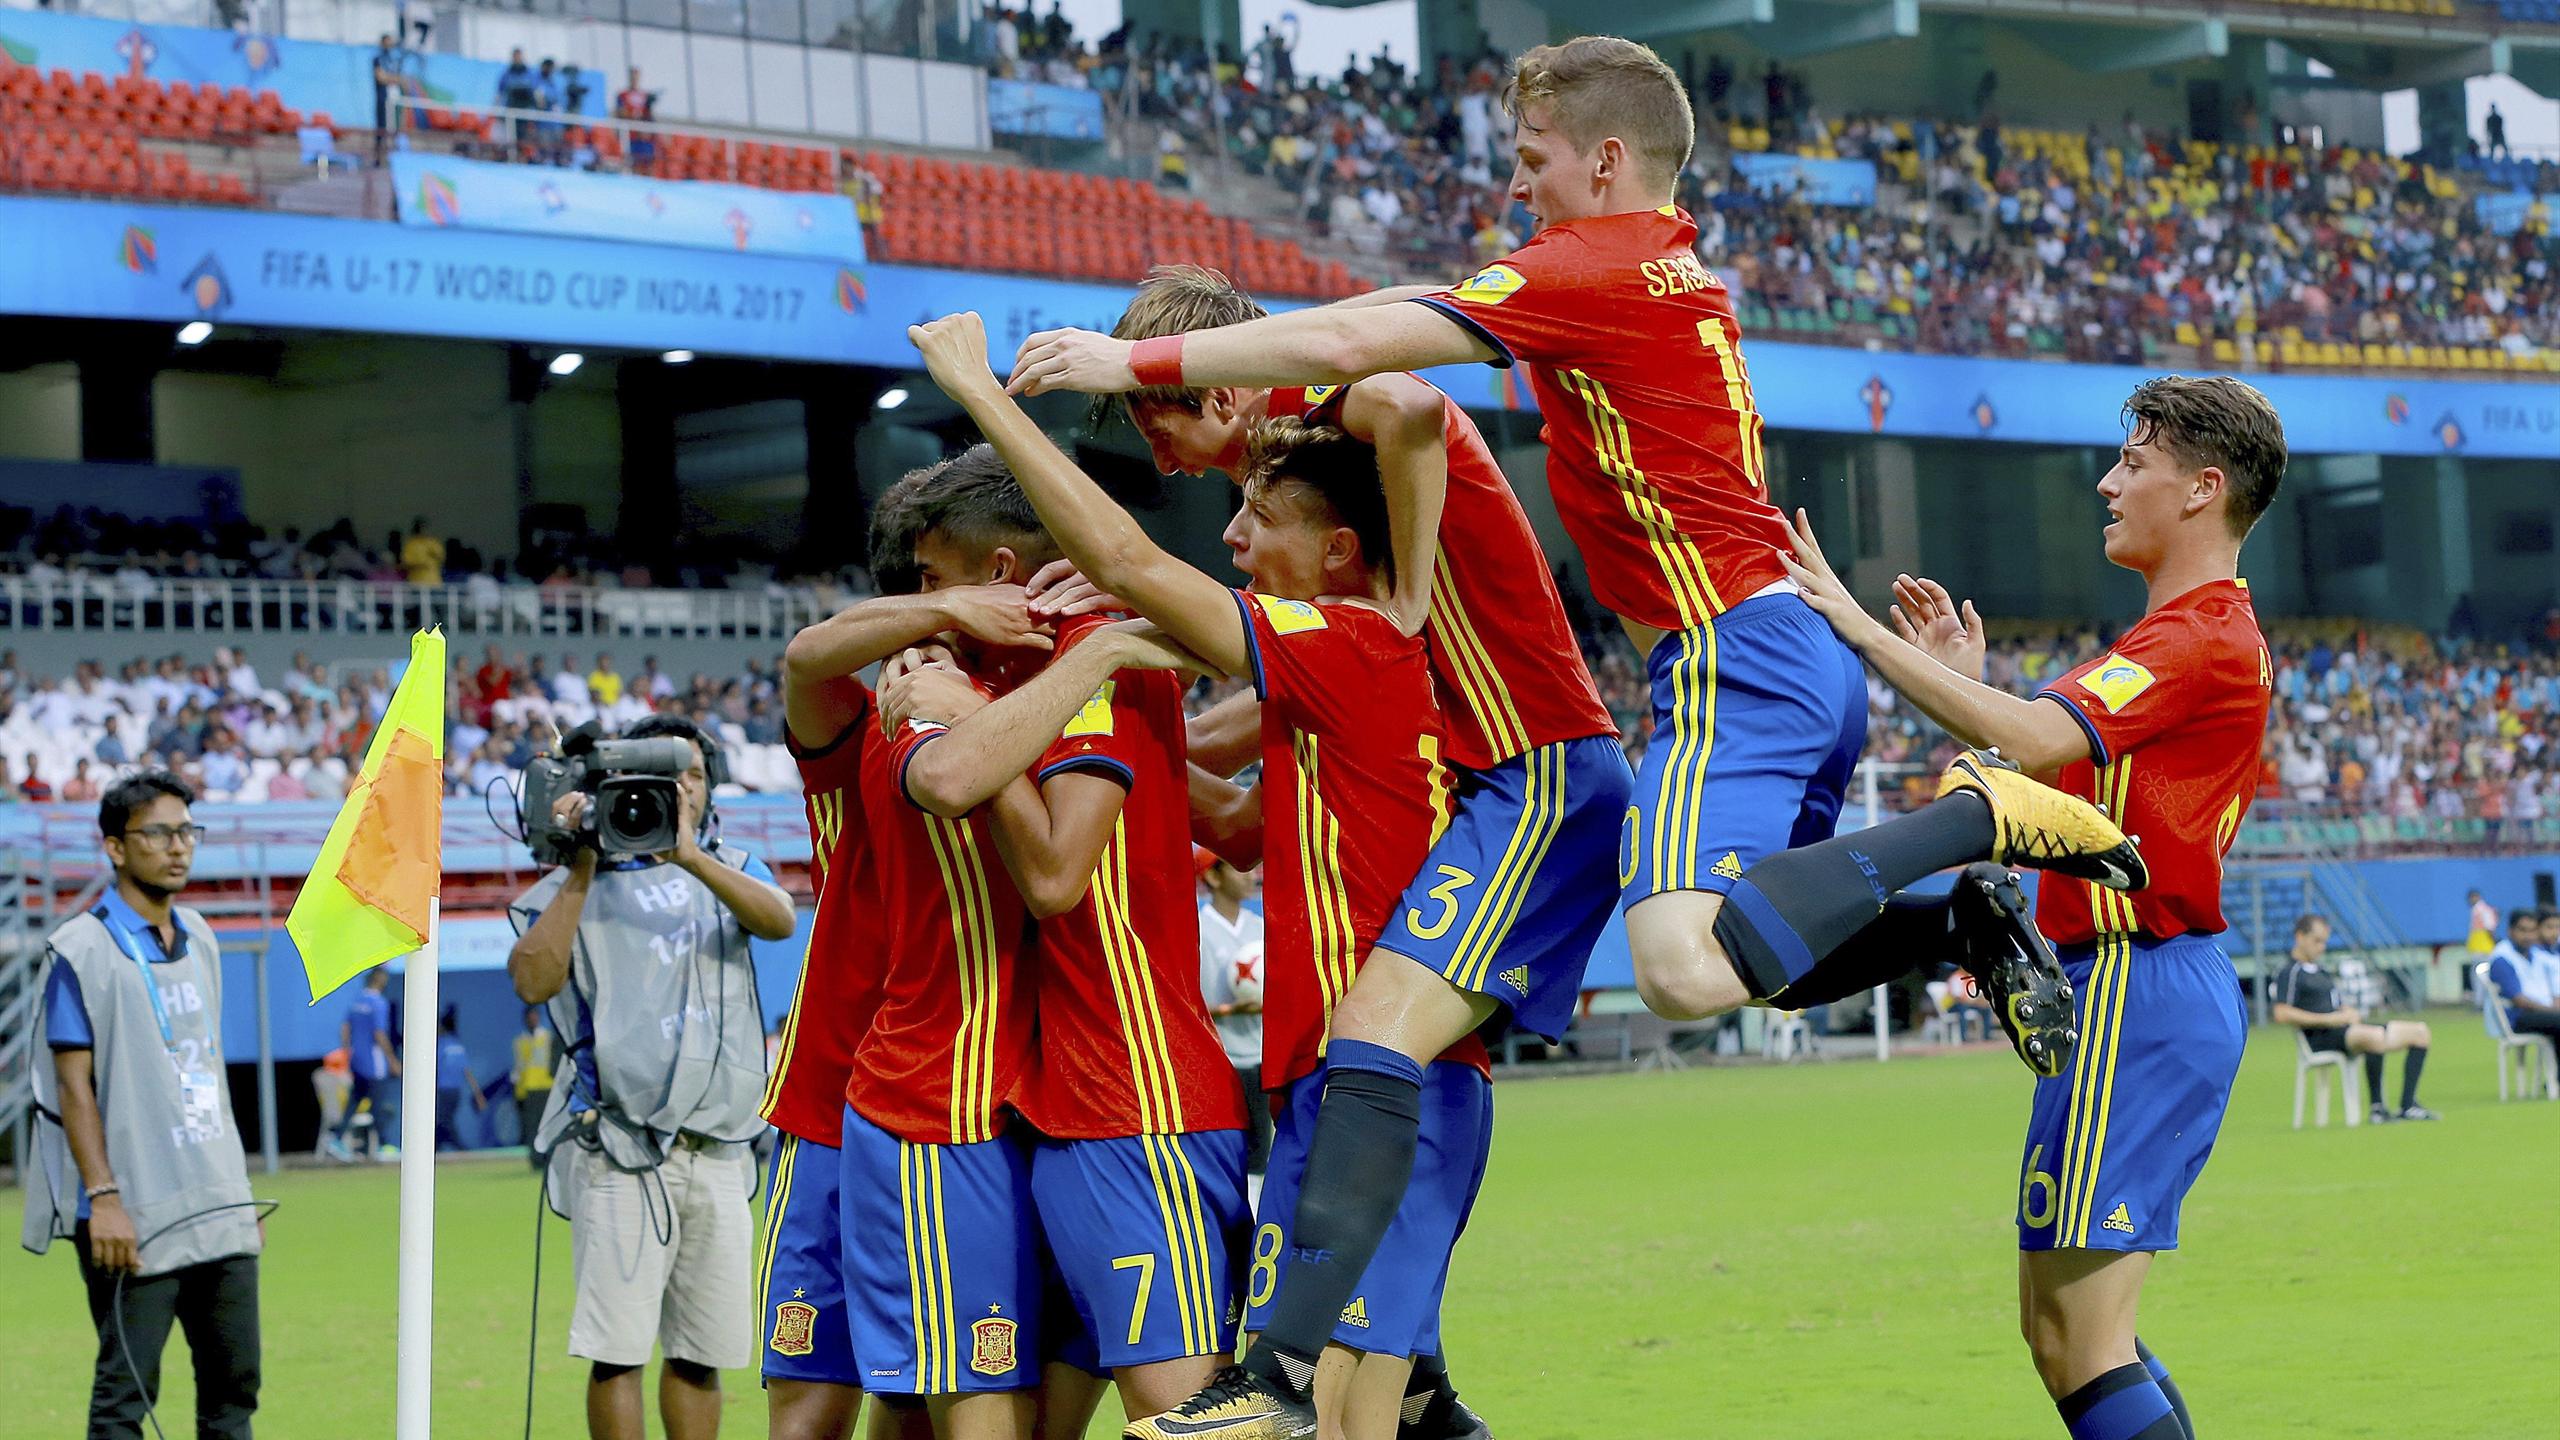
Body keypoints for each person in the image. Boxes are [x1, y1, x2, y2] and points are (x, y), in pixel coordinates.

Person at [1005, 38, 2131, 1435]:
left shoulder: (1558, 289)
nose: (1517, 184)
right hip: (1744, 660)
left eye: (1532, 158)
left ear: (1604, 158)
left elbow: (1384, 373)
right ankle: (1956, 912)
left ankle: (1976, 822)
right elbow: (1370, 406)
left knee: (1627, 978)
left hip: (1649, 701)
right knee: (1746, 962)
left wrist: (1135, 358)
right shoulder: (1648, 274)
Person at [914, 311, 1484, 1440]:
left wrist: (980, 394)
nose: (1229, 536)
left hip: (1384, 1089)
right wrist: (1100, 683)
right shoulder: (1329, 684)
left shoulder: (1357, 647)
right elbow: (1230, 817)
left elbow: (1130, 561)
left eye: (1259, 517)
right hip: (1327, 1082)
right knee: (1340, 1408)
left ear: (1339, 552)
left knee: (1332, 1416)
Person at [1091, 263, 1628, 1433]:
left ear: (1222, 390)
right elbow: (1238, 745)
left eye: (1160, 421)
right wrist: (1101, 690)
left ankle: (1283, 1377)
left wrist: (1412, 598)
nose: (1169, 463)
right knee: (1395, 1372)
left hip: (1539, 765)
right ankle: (1397, 1387)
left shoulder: (1333, 411)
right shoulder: (1322, 511)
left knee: (1381, 1047)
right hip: (1496, 776)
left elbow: (1414, 400)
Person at [1785, 374, 2287, 1440]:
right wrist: (1969, 691)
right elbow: (2048, 789)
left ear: (2202, 489)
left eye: (2133, 464)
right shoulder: (2184, 637)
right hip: (2136, 989)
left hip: (2136, 987)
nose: (2108, 484)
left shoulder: (2195, 637)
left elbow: (2033, 739)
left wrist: (1856, 626)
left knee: (2078, 1341)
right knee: (2074, 1334)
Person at [879, 452, 1249, 1428]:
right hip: (1059, 1109)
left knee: (1192, 1417)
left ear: (1001, 571)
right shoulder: (1049, 670)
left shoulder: (1095, 662)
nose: (918, 606)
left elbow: (1051, 878)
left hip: (1141, 1097)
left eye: (931, 579)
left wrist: (973, 719)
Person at [751, 480, 1047, 1440]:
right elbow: (806, 657)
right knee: (818, 1398)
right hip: (835, 1091)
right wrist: (948, 609)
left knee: (923, 1388)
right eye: (920, 586)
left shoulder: (1018, 711)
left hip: (961, 1092)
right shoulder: (870, 715)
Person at [508, 715, 797, 1440]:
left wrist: (690, 856)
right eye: (665, 775)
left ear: (710, 787)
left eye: (693, 774)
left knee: (703, 1356)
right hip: (620, 1146)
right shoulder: (580, 878)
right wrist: (582, 865)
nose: (681, 787)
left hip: (720, 1148)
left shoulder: (732, 866)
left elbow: (780, 921)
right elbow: (533, 980)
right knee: (618, 1353)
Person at [26, 770, 263, 1439]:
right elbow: (73, 1088)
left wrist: (235, 1192)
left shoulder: (203, 936)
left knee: (234, 1392)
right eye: (158, 833)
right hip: (131, 1212)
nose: (178, 846)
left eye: (187, 831)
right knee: (125, 1401)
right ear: (115, 847)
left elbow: (204, 1070)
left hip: (215, 1204)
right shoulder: (81, 949)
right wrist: (104, 1199)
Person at [2271, 914, 2437, 1123]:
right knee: (2374, 1036)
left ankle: (2408, 1105)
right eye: (2317, 941)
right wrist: (2328, 1019)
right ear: (2300, 937)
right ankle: (2378, 1109)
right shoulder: (2290, 972)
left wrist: (2348, 1012)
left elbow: (2336, 1003)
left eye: (2324, 942)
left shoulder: (2321, 971)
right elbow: (2281, 1012)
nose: (2321, 947)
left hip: (2346, 1029)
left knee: (2420, 1033)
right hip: (2322, 1037)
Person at [1197, 854, 1269, 1178]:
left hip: (1260, 1055)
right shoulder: (1197, 929)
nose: (1251, 875)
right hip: (1218, 1058)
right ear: (1213, 877)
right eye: (1241, 867)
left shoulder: (1260, 927)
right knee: (1222, 1154)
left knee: (1260, 1152)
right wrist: (1227, 1010)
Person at [331, 965, 400, 1160]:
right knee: (378, 1103)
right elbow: (379, 1033)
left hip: (357, 1060)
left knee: (355, 1100)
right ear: (381, 980)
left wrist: (347, 1052)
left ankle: (337, 1140)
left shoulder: (357, 1001)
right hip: (373, 1063)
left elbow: (345, 1028)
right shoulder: (379, 1003)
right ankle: (383, 1146)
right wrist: (392, 1060)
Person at [2485, 908, 2560, 1051]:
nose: (2528, 936)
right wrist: (2552, 1010)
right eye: (2523, 930)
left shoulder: (2536, 954)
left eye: (2532, 931)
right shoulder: (2502, 957)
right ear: (2510, 931)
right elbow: (2519, 1000)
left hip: (2541, 1012)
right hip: (2517, 1017)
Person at [432, 1006, 488, 1151]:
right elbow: (467, 1073)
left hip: (443, 1090)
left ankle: (460, 1148)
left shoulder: (440, 1045)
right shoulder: (458, 1046)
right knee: (444, 1119)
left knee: (444, 1120)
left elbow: (433, 1068)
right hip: (455, 1092)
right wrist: (478, 1095)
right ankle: (436, 1148)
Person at [510, 1004, 555, 1168]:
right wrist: (518, 1092)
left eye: (535, 1016)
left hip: (546, 1086)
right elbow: (518, 1067)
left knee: (548, 1125)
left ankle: (550, 1158)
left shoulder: (547, 1038)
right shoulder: (520, 1041)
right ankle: (536, 1160)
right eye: (529, 1017)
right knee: (531, 1127)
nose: (532, 1020)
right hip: (528, 1088)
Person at [400, 518, 444, 587]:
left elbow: (441, 557)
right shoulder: (411, 544)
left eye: (426, 528)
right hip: (417, 582)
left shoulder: (433, 542)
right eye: (423, 528)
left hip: (434, 582)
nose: (426, 531)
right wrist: (422, 562)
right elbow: (407, 562)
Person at [2466, 890, 2496, 957]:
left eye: (2473, 897)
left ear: (2478, 897)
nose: (2471, 900)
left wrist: (2492, 940)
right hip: (2477, 943)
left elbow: (2490, 927)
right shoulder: (2475, 909)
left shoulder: (2483, 909)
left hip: (2483, 944)